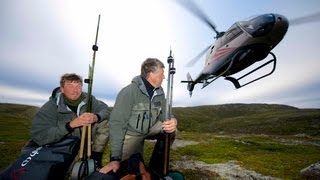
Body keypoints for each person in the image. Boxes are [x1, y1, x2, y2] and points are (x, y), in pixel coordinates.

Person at [99, 58, 177, 177]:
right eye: (162, 74)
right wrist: (115, 157)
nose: (164, 77)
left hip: (150, 128)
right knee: (127, 169)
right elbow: (117, 124)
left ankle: (155, 168)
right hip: (131, 134)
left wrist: (172, 120)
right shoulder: (129, 92)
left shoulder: (160, 92)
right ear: (151, 74)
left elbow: (164, 113)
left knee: (171, 131)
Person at [30, 73, 110, 168]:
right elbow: (39, 135)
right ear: (62, 89)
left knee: (105, 121)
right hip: (63, 145)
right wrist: (70, 125)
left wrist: (96, 117)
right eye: (70, 86)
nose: (75, 90)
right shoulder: (50, 107)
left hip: (86, 139)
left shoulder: (89, 99)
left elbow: (105, 110)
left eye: (78, 86)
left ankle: (95, 159)